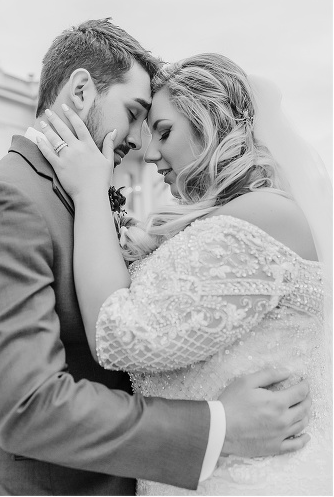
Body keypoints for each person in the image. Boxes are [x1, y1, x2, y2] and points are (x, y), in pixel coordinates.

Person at [0, 20, 313, 496]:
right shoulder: (7, 199)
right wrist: (217, 426)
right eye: (135, 112)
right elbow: (27, 406)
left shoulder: (83, 193)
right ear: (81, 90)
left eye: (158, 127)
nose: (142, 144)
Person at [35, 52, 331, 494]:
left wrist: (90, 190)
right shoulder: (234, 216)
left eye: (164, 131)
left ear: (211, 122)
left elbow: (117, 333)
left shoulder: (262, 215)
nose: (149, 153)